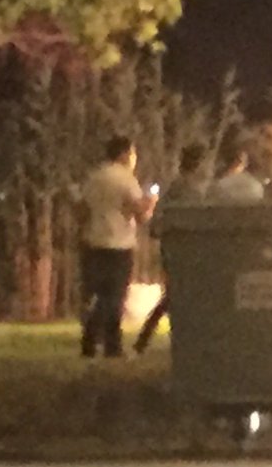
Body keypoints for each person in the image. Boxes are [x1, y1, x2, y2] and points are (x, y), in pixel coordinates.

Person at [78, 135, 156, 358]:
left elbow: (81, 209)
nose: (134, 158)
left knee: (98, 294)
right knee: (114, 297)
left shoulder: (94, 177)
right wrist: (151, 203)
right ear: (124, 154)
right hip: (119, 244)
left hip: (94, 241)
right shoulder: (125, 179)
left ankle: (93, 341)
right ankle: (109, 343)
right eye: (133, 153)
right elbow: (140, 214)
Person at [134, 144, 209, 354]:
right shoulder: (192, 191)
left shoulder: (173, 188)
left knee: (173, 295)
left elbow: (156, 224)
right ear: (198, 164)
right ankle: (155, 339)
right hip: (187, 250)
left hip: (172, 249)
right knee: (179, 295)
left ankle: (146, 340)